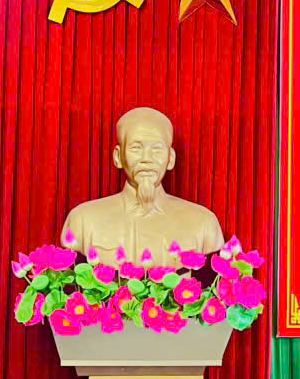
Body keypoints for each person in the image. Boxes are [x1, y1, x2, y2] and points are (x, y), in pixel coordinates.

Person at [61, 107, 224, 267]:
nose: (147, 158)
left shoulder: (203, 224)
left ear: (170, 158)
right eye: (136, 148)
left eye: (157, 149)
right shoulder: (83, 221)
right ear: (118, 157)